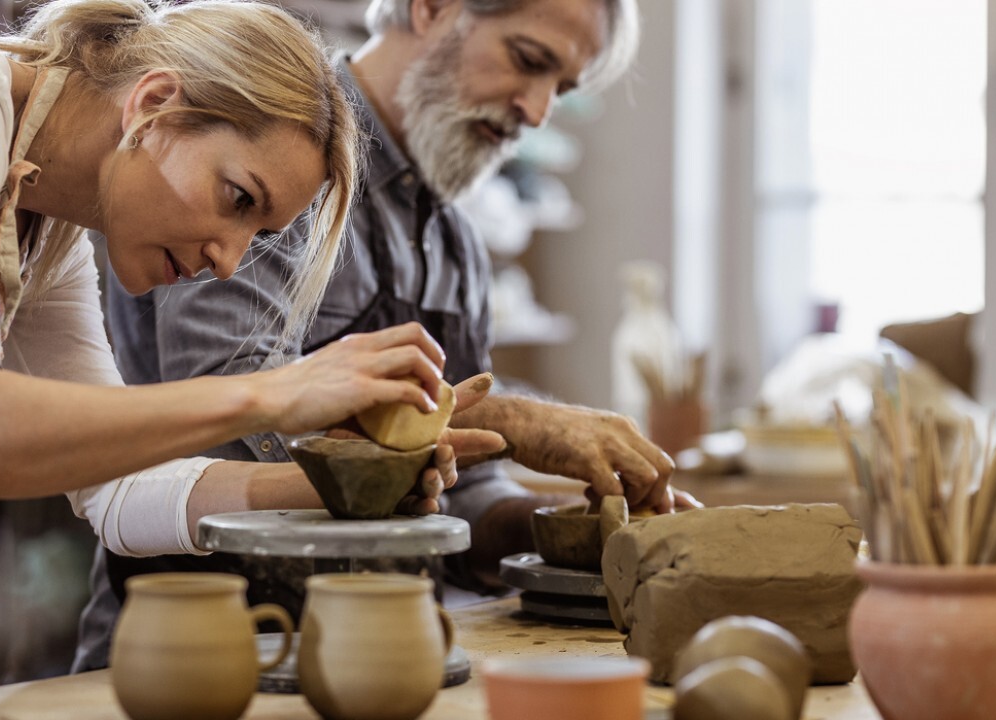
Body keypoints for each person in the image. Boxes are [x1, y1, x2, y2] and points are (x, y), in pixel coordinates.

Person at [0, 0, 501, 594]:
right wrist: (270, 395)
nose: (229, 263)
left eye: (258, 233)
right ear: (154, 104)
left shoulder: (45, 230)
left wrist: (342, 487)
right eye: (237, 197)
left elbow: (118, 496)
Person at [72, 0, 700, 671]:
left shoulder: (455, 240)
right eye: (529, 60)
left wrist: (554, 532)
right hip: (197, 656)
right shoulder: (274, 159)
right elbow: (229, 419)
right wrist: (511, 420)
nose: (538, 110)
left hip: (380, 657)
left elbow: (446, 489)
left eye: (562, 88)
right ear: (429, 9)